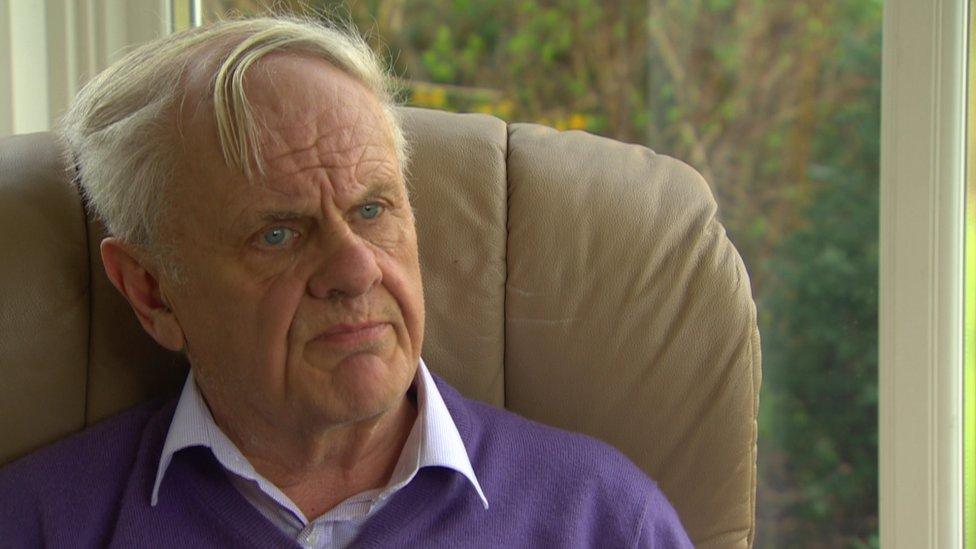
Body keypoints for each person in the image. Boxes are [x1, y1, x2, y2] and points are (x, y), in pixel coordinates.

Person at [0, 16, 692, 548]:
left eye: (372, 210)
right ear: (153, 291)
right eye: (278, 233)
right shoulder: (38, 524)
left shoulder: (603, 519)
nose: (358, 268)